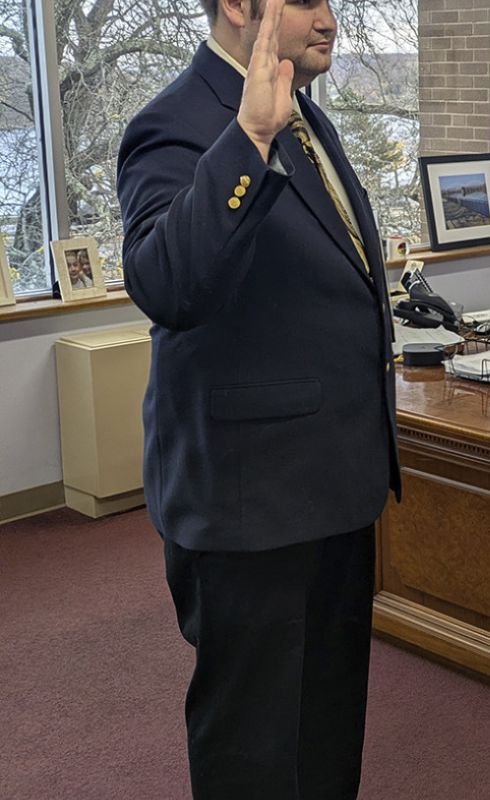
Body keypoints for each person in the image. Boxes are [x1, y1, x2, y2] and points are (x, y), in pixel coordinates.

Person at [116, 0, 401, 797]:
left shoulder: (309, 118)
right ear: (240, 6)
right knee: (253, 749)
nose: (332, 17)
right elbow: (168, 285)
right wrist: (248, 140)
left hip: (333, 490)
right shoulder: (176, 123)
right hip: (250, 506)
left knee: (327, 728)